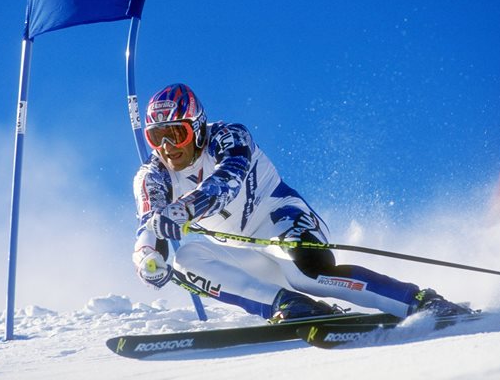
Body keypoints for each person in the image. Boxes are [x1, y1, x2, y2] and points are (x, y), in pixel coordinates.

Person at [132, 83, 472, 321]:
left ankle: (418, 302)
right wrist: (149, 258)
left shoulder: (229, 135)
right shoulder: (152, 176)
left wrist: (187, 208)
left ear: (197, 126)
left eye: (175, 133)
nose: (165, 146)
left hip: (282, 221)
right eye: (155, 137)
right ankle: (288, 306)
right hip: (243, 253)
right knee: (187, 259)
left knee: (308, 275)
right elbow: (149, 227)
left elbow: (229, 180)